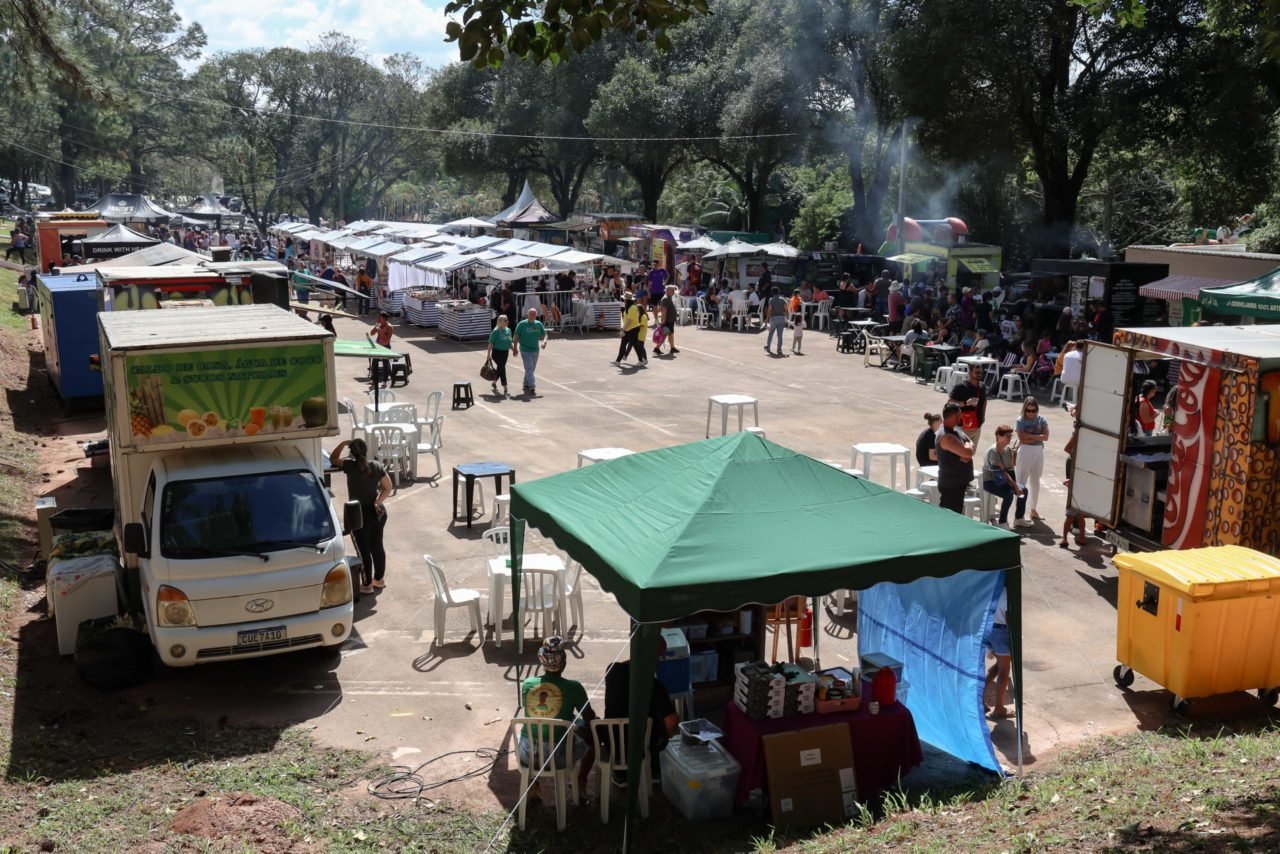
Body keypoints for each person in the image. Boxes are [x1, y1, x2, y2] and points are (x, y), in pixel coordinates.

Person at [520, 637, 596, 797]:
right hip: (559, 758)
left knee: (530, 730)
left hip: (527, 756)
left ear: (541, 661)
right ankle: (580, 780)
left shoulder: (527, 684)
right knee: (592, 737)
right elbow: (589, 717)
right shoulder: (574, 687)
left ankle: (533, 780)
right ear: (564, 662)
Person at [604, 641, 679, 780]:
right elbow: (671, 723)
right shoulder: (654, 685)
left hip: (612, 745)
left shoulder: (612, 670)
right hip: (639, 749)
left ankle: (621, 774)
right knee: (663, 729)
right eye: (660, 658)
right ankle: (652, 772)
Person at [330, 438, 392, 594]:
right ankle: (379, 579)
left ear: (351, 453)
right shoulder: (376, 466)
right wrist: (377, 502)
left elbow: (333, 458)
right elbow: (388, 487)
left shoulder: (350, 466)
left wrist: (343, 443)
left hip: (358, 514)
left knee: (363, 550)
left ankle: (367, 584)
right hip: (377, 513)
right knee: (377, 546)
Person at [983, 426, 1030, 528]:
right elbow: (1002, 472)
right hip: (990, 481)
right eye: (1007, 436)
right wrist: (1015, 487)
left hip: (1002, 480)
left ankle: (1019, 519)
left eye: (1010, 436)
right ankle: (1002, 522)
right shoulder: (993, 452)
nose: (1010, 438)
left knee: (1024, 490)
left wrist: (1014, 454)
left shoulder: (1007, 449)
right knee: (1008, 495)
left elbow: (1011, 468)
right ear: (999, 436)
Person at [936, 402, 975, 513]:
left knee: (954, 514)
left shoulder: (956, 430)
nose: (961, 416)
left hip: (957, 484)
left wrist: (967, 450)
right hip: (951, 485)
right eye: (960, 414)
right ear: (954, 416)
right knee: (949, 516)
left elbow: (970, 443)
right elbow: (968, 453)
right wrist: (967, 450)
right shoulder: (947, 437)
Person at [1014, 396, 1049, 521]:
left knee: (1035, 480)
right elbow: (1022, 439)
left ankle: (1033, 509)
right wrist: (1037, 437)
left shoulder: (1042, 419)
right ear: (1024, 409)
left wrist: (1029, 435)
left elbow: (1046, 437)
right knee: (1021, 481)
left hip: (1038, 451)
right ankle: (1019, 513)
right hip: (1025, 451)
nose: (1031, 413)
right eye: (1028, 410)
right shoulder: (1020, 420)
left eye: (1033, 410)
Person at [1061, 404, 1089, 548]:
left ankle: (1078, 535)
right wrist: (1078, 458)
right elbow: (1067, 448)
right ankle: (1065, 537)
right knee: (1072, 510)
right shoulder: (1078, 434)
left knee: (1078, 511)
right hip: (1074, 466)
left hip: (1081, 470)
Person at [984, 589, 1012, 719]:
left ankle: (978, 698)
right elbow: (1008, 617)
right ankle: (999, 708)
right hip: (1001, 632)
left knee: (997, 667)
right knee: (1004, 671)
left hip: (989, 628)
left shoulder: (991, 588)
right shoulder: (1006, 593)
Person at [949, 363, 989, 451]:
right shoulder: (961, 387)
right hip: (963, 426)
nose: (979, 375)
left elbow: (984, 401)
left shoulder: (982, 387)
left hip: (977, 425)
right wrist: (965, 403)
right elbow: (950, 402)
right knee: (961, 452)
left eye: (981, 373)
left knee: (971, 452)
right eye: (976, 372)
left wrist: (983, 416)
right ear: (970, 373)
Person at [513, 307, 548, 395]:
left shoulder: (538, 324)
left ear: (536, 315)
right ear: (527, 315)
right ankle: (532, 386)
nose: (532, 316)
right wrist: (515, 348)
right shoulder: (522, 324)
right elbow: (516, 336)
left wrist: (544, 342)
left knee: (531, 369)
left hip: (535, 350)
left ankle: (526, 383)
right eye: (531, 314)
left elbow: (545, 335)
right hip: (525, 349)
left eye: (534, 314)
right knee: (529, 368)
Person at [487, 314, 513, 396]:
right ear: (501, 322)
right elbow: (490, 343)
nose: (507, 322)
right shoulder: (495, 331)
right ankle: (505, 386)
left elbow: (509, 342)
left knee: (500, 368)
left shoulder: (508, 330)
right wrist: (488, 355)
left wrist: (514, 350)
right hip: (497, 353)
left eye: (507, 320)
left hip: (505, 353)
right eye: (505, 320)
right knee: (502, 368)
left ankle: (494, 382)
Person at [614, 293, 641, 365]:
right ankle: (618, 361)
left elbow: (630, 320)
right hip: (629, 328)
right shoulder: (629, 307)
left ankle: (641, 360)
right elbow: (628, 320)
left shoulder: (632, 308)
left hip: (633, 329)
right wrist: (624, 329)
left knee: (635, 345)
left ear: (626, 300)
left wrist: (623, 330)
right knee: (623, 344)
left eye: (624, 299)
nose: (624, 300)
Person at [654, 284, 680, 356]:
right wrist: (663, 321)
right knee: (664, 335)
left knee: (670, 334)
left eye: (674, 290)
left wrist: (657, 312)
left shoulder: (668, 298)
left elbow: (660, 308)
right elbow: (664, 310)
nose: (673, 292)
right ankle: (657, 348)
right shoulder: (666, 299)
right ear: (667, 291)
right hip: (667, 321)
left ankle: (672, 348)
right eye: (672, 291)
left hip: (670, 320)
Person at [764, 286, 788, 356]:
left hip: (773, 318)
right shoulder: (782, 299)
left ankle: (768, 346)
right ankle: (779, 349)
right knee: (780, 335)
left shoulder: (771, 300)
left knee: (771, 333)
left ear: (772, 292)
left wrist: (766, 319)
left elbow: (770, 310)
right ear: (778, 292)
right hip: (781, 318)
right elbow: (786, 309)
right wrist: (787, 317)